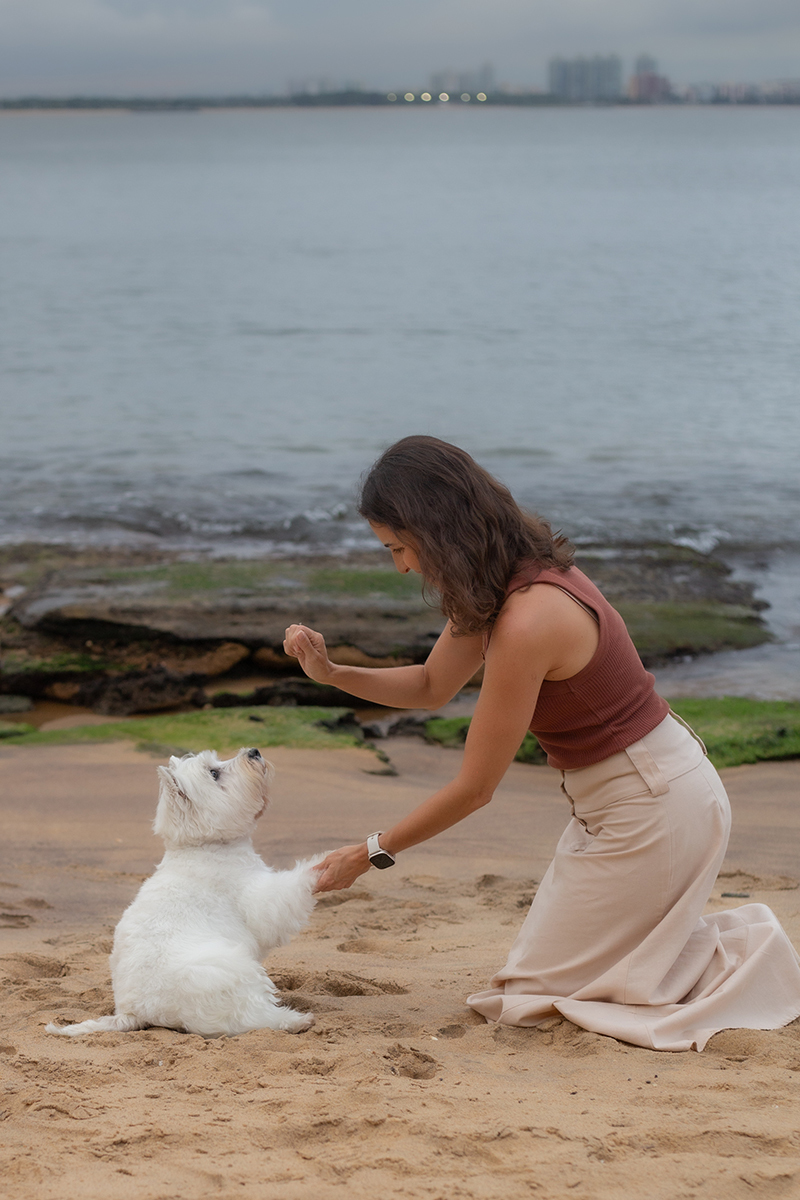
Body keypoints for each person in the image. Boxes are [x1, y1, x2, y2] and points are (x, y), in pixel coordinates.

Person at [283, 435, 800, 1051]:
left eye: (398, 547)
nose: (400, 566)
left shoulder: (528, 618)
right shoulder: (496, 585)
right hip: (623, 802)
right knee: (546, 987)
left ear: (435, 529)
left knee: (528, 1000)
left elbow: (476, 788)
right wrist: (333, 673)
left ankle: (759, 956)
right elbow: (430, 686)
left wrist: (370, 853)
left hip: (655, 807)